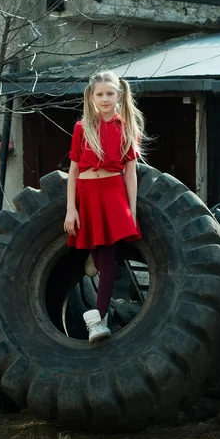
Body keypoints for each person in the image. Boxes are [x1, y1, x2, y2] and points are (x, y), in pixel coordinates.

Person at [63, 71, 149, 344]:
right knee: (100, 256)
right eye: (99, 94)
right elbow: (73, 171)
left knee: (108, 260)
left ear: (119, 96)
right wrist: (70, 209)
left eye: (110, 94)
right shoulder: (81, 128)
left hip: (113, 193)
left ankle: (97, 319)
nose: (105, 99)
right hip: (87, 195)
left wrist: (131, 210)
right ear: (91, 96)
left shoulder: (127, 127)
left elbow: (131, 173)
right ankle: (92, 257)